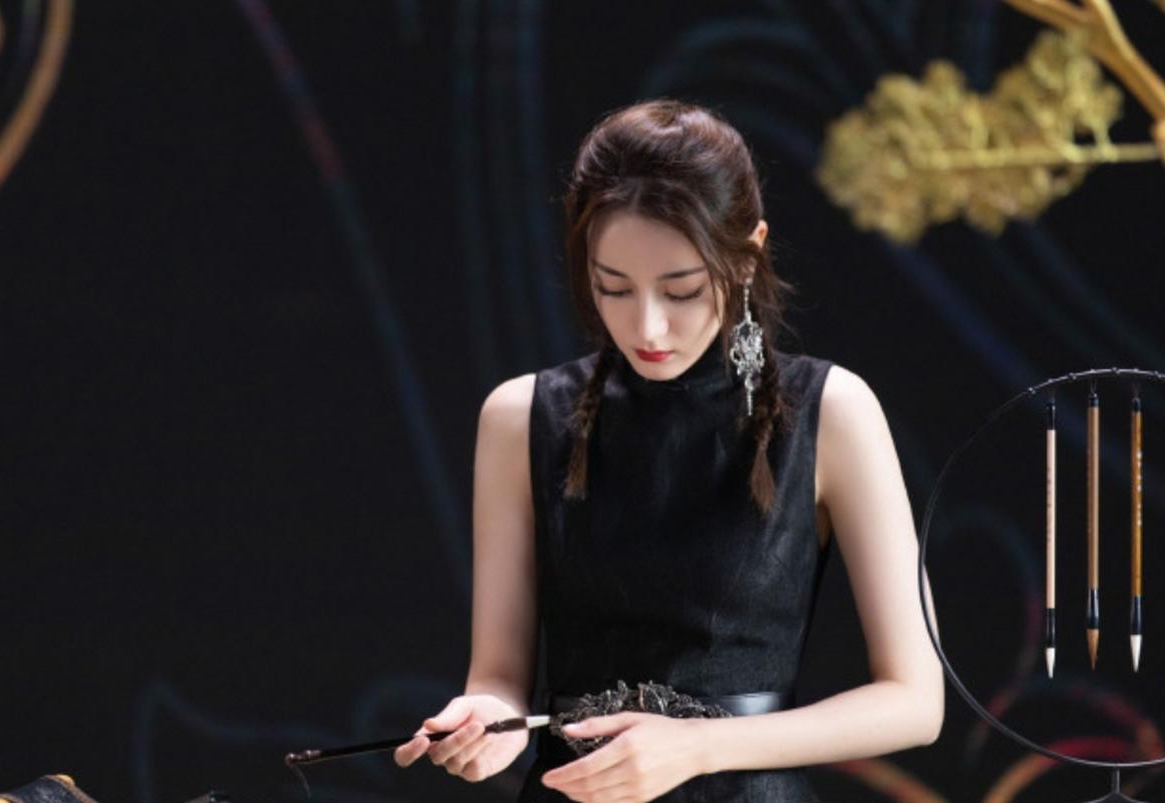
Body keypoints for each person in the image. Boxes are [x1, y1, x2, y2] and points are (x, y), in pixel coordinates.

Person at [393, 99, 943, 802]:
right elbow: (498, 677)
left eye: (680, 290)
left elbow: (915, 701)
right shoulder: (520, 418)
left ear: (746, 255)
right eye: (612, 288)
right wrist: (486, 724)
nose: (646, 326)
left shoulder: (830, 412)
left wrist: (700, 745)